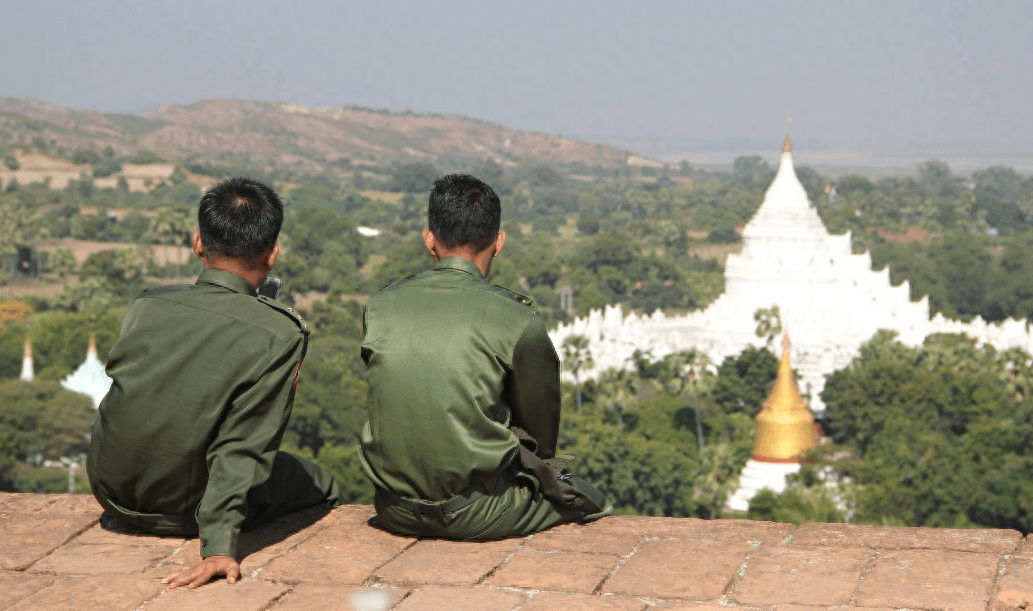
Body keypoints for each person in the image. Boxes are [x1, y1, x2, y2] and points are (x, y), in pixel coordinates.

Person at [87, 177, 340, 589]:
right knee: (320, 482)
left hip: (110, 493)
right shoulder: (280, 332)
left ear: (198, 244)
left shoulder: (146, 305)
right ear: (272, 256)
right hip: (181, 509)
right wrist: (219, 546)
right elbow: (242, 444)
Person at [358, 173, 612, 539]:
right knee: (590, 498)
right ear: (499, 243)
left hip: (393, 508)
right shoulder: (517, 319)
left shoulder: (379, 306)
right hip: (476, 512)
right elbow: (541, 436)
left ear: (429, 240)